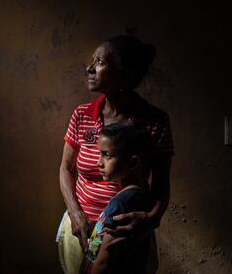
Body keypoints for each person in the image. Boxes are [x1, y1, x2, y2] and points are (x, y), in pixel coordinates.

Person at [57, 34, 174, 274]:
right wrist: (76, 215)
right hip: (82, 228)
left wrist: (150, 220)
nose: (89, 68)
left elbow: (161, 184)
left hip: (127, 234)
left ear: (123, 75)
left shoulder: (155, 122)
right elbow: (66, 169)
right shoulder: (82, 115)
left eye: (99, 62)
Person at [81, 123, 155, 274]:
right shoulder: (141, 197)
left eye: (106, 155)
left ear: (133, 163)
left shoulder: (121, 204)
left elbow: (103, 263)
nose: (99, 163)